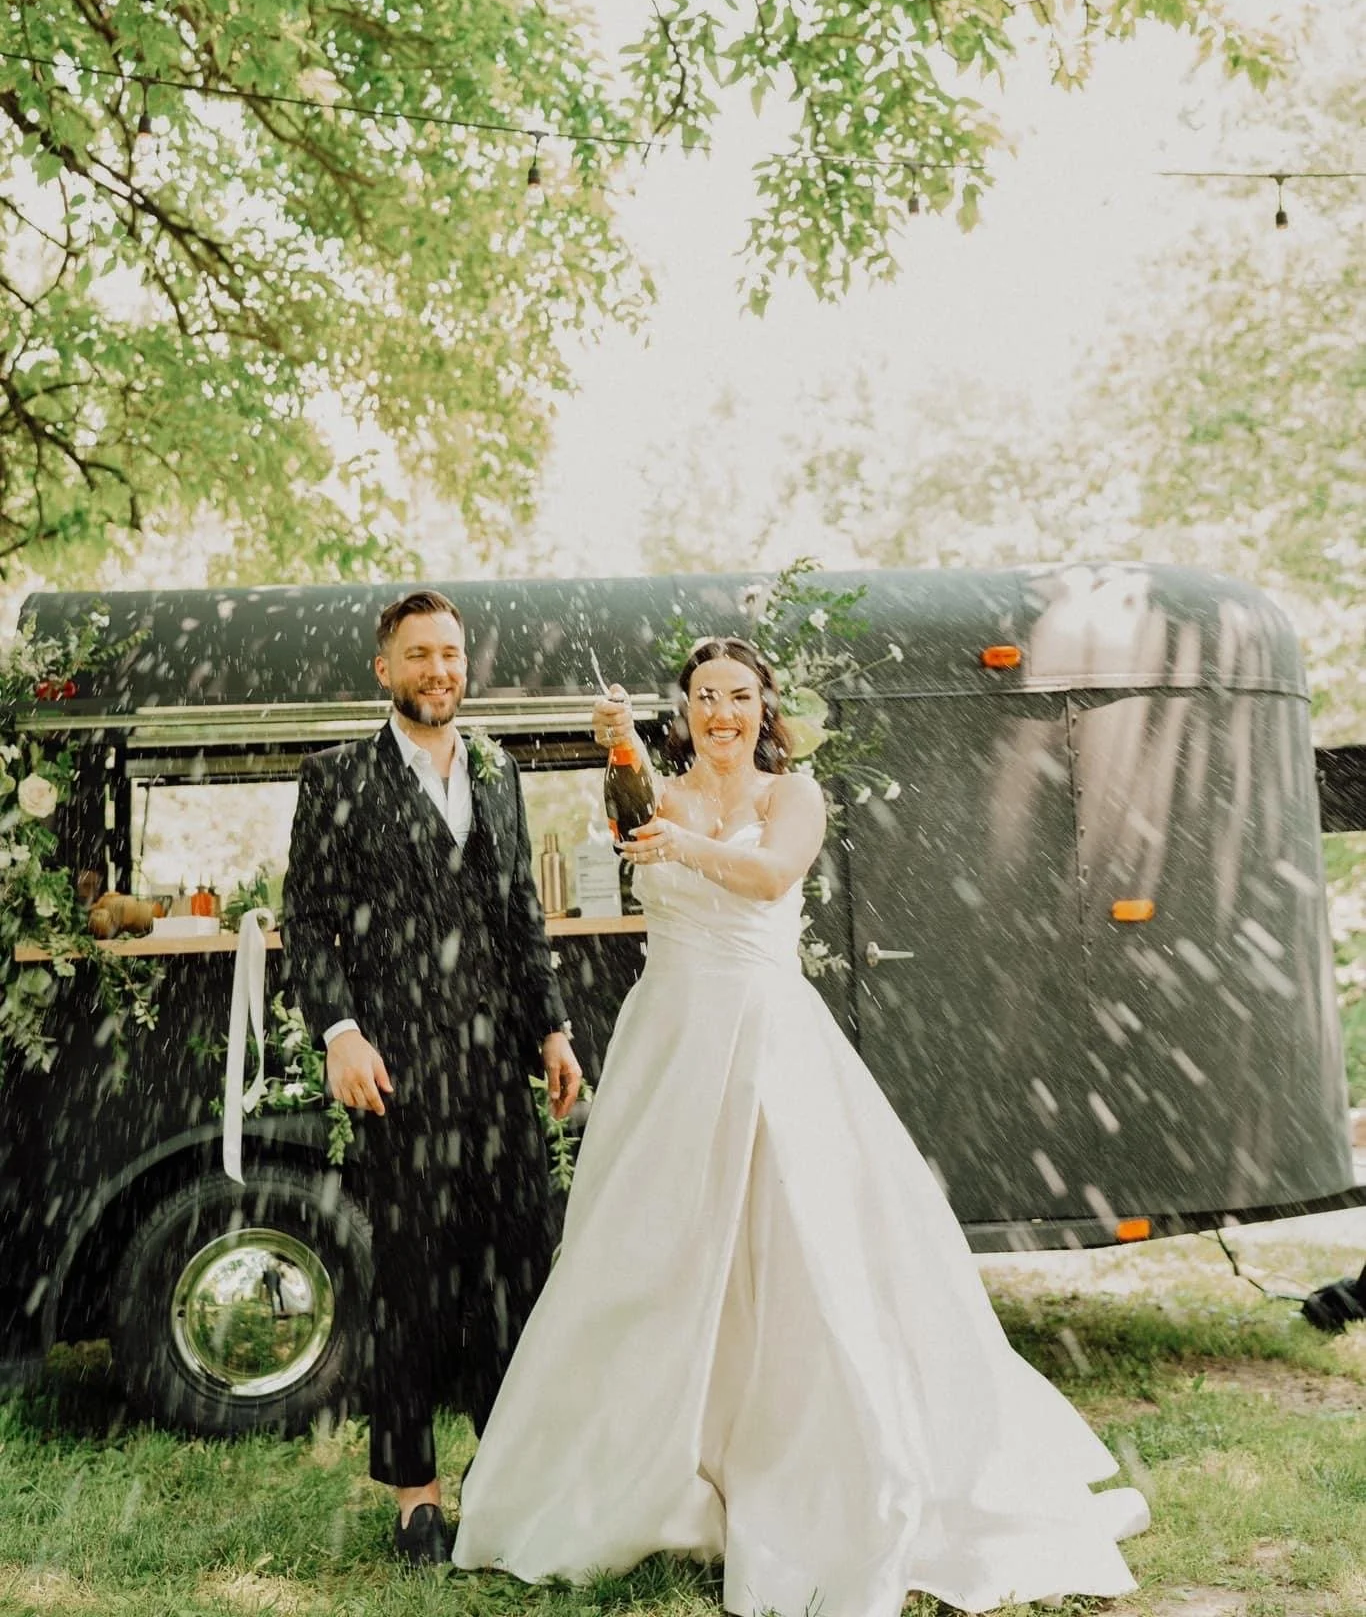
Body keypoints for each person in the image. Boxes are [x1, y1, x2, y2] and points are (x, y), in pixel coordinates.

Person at [453, 636, 1149, 1616]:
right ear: (684, 709)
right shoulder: (657, 788)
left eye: (738, 695)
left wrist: (685, 844)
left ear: (763, 705)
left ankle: (809, 1456)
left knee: (801, 1244)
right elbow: (630, 819)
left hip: (768, 1035)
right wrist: (617, 747)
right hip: (670, 1039)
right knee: (650, 1249)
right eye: (705, 695)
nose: (722, 712)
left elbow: (772, 876)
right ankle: (639, 1473)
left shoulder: (795, 794)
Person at [282, 589, 581, 1566]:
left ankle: (509, 1476)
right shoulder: (337, 777)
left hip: (497, 1069)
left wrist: (551, 1030)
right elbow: (309, 920)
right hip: (398, 1070)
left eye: (449, 653)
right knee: (412, 1280)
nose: (438, 671)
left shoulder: (498, 769)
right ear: (385, 668)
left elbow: (520, 915)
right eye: (418, 655)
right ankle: (416, 1496)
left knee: (515, 1274)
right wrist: (340, 1032)